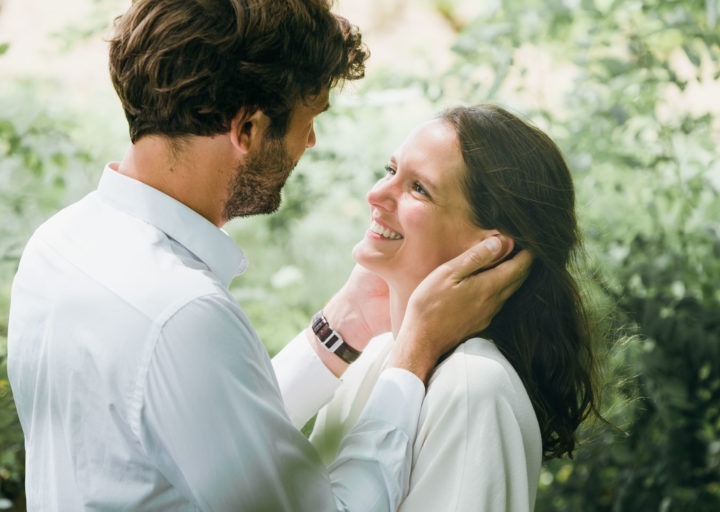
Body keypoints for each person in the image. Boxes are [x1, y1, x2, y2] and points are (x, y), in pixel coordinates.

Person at [6, 1, 532, 511]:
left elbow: (208, 439)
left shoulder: (60, 244)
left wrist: (341, 327)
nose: (310, 141)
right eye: (309, 118)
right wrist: (415, 354)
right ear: (249, 129)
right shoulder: (182, 312)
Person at [306, 105, 601, 512]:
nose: (376, 194)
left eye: (418, 188)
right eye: (390, 170)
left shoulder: (472, 386)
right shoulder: (374, 359)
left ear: (488, 249)